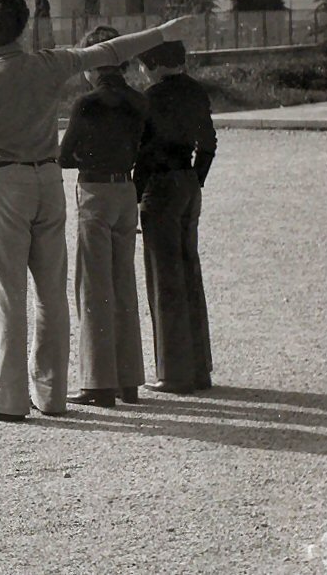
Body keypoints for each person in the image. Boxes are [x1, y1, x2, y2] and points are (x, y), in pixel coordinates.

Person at [0, 0, 193, 422]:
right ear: (24, 25)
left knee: (8, 295)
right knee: (51, 293)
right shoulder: (49, 63)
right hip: (49, 181)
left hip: (8, 180)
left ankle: (6, 399)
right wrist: (163, 32)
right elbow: (110, 50)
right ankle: (52, 394)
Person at [58, 27, 149, 409]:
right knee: (124, 281)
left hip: (95, 191)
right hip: (126, 191)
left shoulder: (86, 104)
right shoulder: (139, 101)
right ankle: (129, 379)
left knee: (94, 287)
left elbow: (65, 156)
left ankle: (98, 382)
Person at [133, 40, 216, 394]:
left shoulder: (150, 98)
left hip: (160, 187)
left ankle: (173, 372)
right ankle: (199, 369)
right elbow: (208, 142)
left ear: (152, 64)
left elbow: (144, 154)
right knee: (188, 272)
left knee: (163, 279)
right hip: (187, 182)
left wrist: (135, 197)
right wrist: (196, 177)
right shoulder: (197, 91)